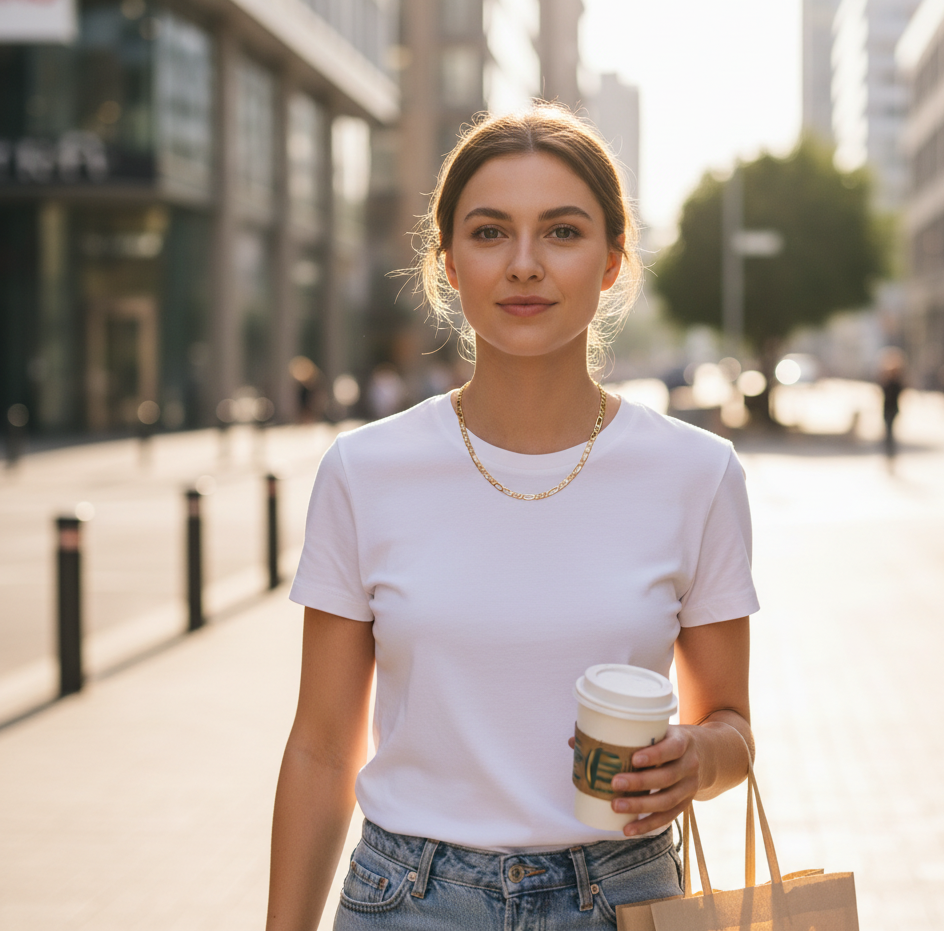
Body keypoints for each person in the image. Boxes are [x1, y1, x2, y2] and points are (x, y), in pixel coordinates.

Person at [267, 106, 760, 930]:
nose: (524, 265)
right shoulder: (365, 470)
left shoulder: (696, 473)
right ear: (449, 264)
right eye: (490, 233)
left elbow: (733, 727)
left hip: (625, 898)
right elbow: (320, 745)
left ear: (610, 261)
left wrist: (699, 757)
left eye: (561, 233)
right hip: (406, 900)